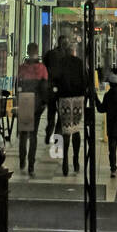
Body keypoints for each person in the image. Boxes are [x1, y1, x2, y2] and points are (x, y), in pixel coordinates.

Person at [17, 43, 49, 177]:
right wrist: (45, 103)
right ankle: (31, 165)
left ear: (27, 52)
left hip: (24, 101)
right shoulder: (42, 68)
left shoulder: (22, 68)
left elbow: (18, 84)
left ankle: (22, 160)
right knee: (33, 135)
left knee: (23, 134)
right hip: (36, 103)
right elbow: (45, 87)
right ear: (37, 52)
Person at [54, 45, 85, 176]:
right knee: (76, 129)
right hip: (78, 99)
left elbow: (55, 80)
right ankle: (76, 160)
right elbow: (85, 79)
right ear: (74, 52)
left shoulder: (60, 63)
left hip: (64, 99)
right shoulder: (79, 62)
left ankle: (65, 160)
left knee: (66, 130)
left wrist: (56, 98)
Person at [43, 34, 68, 144]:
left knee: (51, 112)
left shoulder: (50, 53)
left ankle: (49, 133)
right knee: (61, 114)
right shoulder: (67, 56)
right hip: (62, 88)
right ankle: (57, 137)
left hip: (52, 87)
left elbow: (45, 66)